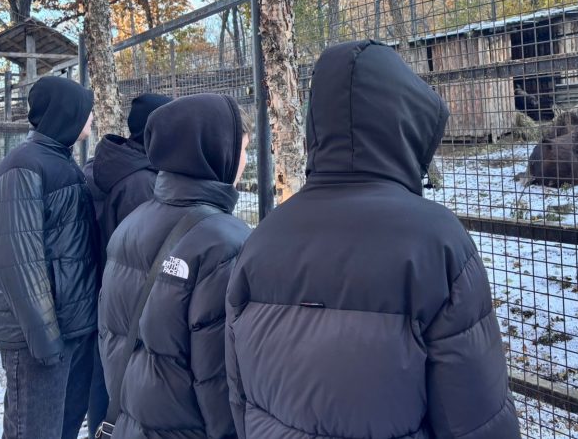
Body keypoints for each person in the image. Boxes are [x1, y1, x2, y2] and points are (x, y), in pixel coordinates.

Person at [225, 40, 521, 439]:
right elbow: (476, 418)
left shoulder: (260, 240)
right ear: (403, 121)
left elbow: (240, 397)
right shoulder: (437, 243)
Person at [98, 94, 251, 438]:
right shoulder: (224, 241)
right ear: (217, 151)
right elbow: (220, 377)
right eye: (243, 148)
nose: (244, 159)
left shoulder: (132, 223)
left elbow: (109, 335)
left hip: (131, 421)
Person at [0, 76, 99, 439]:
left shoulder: (59, 161)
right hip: (41, 342)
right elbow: (18, 262)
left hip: (70, 333)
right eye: (86, 109)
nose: (91, 116)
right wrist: (47, 343)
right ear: (67, 112)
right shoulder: (22, 167)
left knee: (62, 429)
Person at [82, 93, 172, 435]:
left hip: (100, 295)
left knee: (103, 381)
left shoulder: (110, 165)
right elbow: (144, 256)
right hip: (127, 306)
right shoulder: (141, 182)